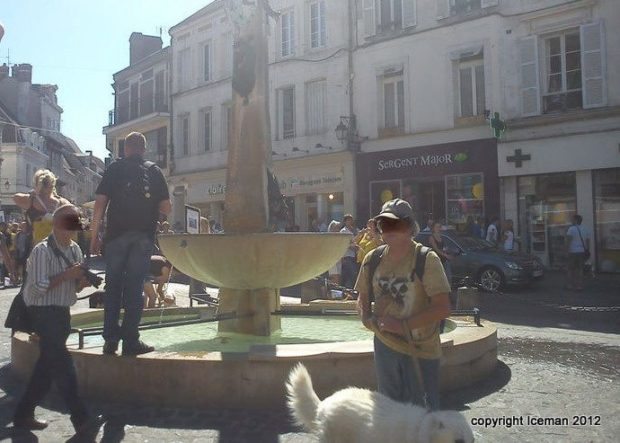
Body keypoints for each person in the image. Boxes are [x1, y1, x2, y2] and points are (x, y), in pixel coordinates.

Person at [13, 204, 102, 436]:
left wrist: (81, 282)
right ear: (56, 224)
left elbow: (73, 288)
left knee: (46, 367)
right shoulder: (42, 251)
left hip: (62, 312)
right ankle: (80, 417)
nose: (69, 231)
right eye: (66, 225)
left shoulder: (75, 250)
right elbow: (37, 288)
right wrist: (67, 275)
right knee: (63, 365)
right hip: (42, 312)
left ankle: (23, 414)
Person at [356, 199, 451, 410]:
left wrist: (403, 326)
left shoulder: (426, 259)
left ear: (410, 227)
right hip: (385, 346)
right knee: (388, 410)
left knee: (422, 412)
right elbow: (362, 296)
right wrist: (367, 318)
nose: (388, 229)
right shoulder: (372, 259)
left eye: (395, 224)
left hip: (421, 348)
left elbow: (443, 307)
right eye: (383, 224)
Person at [90, 132, 171, 356]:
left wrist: (94, 235)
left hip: (116, 237)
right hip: (142, 237)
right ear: (144, 149)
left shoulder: (114, 169)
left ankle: (110, 340)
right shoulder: (154, 171)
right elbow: (166, 207)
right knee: (135, 288)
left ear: (125, 149)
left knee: (113, 286)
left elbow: (99, 204)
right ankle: (131, 341)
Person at [13, 169, 70, 246]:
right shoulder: (61, 202)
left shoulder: (32, 200)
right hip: (52, 245)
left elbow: (15, 197)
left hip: (40, 245)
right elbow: (15, 197)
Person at [566, 214, 590, 291]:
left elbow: (568, 241)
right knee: (580, 269)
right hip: (582, 251)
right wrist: (587, 250)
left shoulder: (571, 229)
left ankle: (570, 285)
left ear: (576, 220)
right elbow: (587, 241)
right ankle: (579, 286)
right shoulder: (585, 229)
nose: (571, 221)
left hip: (573, 251)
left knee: (570, 269)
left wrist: (567, 251)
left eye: (572, 219)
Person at [429, 222, 454, 287]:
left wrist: (447, 250)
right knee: (438, 278)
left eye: (439, 227)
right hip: (436, 260)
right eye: (437, 227)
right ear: (433, 228)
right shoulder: (432, 237)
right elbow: (436, 249)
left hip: (444, 260)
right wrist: (446, 255)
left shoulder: (441, 236)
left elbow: (443, 247)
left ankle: (448, 290)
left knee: (448, 276)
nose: (438, 228)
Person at [339, 214, 359, 289]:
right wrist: (352, 246)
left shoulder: (353, 230)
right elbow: (343, 244)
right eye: (348, 220)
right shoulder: (343, 231)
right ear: (345, 221)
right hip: (347, 256)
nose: (350, 221)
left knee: (348, 275)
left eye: (351, 220)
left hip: (353, 256)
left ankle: (346, 289)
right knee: (352, 274)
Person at [327, 220, 342, 286]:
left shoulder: (340, 238)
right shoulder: (329, 238)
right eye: (336, 228)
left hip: (338, 260)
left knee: (338, 278)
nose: (337, 229)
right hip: (331, 260)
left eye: (338, 228)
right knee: (334, 278)